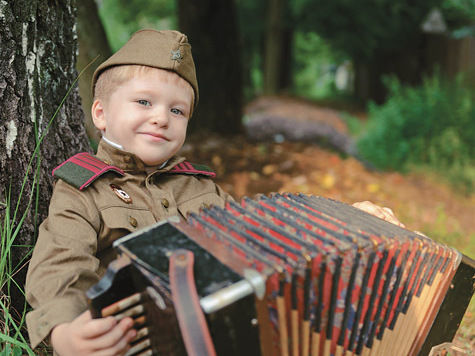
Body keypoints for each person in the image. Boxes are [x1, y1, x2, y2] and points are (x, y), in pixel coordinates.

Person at [25, 29, 403, 356]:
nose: (161, 117)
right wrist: (64, 332)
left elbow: (266, 239)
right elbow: (60, 266)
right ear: (101, 114)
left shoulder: (201, 186)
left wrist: (344, 221)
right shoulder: (83, 190)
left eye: (178, 111)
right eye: (144, 102)